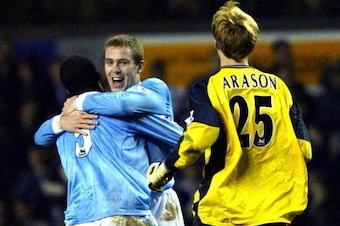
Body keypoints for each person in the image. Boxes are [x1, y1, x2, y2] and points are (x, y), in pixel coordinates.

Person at [147, 1, 312, 226]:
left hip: (224, 211)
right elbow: (304, 148)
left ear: (217, 44)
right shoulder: (279, 87)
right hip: (273, 211)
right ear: (251, 43)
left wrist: (163, 171)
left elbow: (199, 138)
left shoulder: (209, 87)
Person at [34, 55, 183, 225]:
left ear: (67, 91)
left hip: (80, 217)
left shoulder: (62, 126)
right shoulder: (119, 115)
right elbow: (180, 137)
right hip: (123, 211)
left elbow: (39, 137)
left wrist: (58, 122)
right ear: (99, 77)